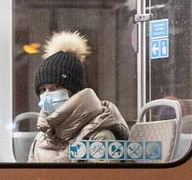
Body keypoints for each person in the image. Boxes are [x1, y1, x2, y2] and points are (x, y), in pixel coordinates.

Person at [28, 30, 129, 163]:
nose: (47, 95)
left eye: (56, 87)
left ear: (75, 92)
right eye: (42, 89)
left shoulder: (100, 137)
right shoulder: (41, 138)